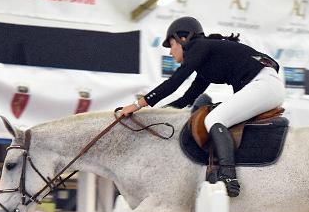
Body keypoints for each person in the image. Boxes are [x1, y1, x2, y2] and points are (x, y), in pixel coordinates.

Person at [119, 17, 284, 198]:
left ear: (183, 39)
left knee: (213, 119)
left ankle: (228, 175)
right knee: (216, 116)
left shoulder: (199, 47)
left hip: (263, 85)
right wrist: (153, 115)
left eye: (171, 45)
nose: (171, 53)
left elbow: (173, 83)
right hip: (265, 85)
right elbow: (185, 99)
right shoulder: (207, 61)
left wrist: (136, 106)